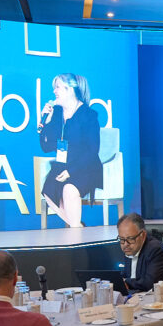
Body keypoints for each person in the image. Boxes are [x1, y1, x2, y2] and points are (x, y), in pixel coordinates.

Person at [38, 73, 102, 228]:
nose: (54, 91)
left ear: (70, 89)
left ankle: (76, 231)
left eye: (58, 87)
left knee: (69, 190)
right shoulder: (57, 112)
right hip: (63, 164)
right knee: (48, 192)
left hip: (85, 166)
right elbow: (46, 147)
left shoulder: (88, 115)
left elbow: (93, 150)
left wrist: (70, 171)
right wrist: (46, 121)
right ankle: (78, 227)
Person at [117, 213, 163, 293]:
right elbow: (128, 276)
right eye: (122, 239)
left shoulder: (156, 250)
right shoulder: (129, 248)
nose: (125, 244)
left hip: (162, 299)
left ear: (143, 235)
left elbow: (150, 284)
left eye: (130, 238)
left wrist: (126, 282)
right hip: (137, 297)